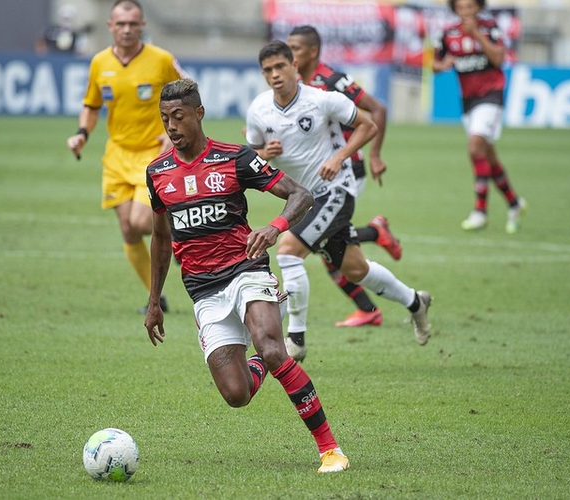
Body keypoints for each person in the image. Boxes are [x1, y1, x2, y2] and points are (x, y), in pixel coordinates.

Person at [144, 78, 350, 474]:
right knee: (237, 395)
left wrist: (273, 228)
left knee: (275, 349)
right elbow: (160, 237)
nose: (171, 126)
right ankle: (260, 362)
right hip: (203, 288)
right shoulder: (157, 173)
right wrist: (154, 301)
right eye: (165, 118)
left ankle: (330, 449)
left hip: (246, 268)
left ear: (199, 114)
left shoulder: (235, 158)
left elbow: (301, 194)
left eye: (179, 117)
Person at [245, 41, 432, 362]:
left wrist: (340, 157)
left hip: (335, 190)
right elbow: (252, 152)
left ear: (294, 66)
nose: (275, 75)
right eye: (267, 70)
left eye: (280, 67)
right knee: (356, 269)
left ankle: (296, 340)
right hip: (302, 198)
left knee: (288, 251)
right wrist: (265, 153)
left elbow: (368, 124)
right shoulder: (259, 109)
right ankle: (416, 301)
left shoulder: (322, 100)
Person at [67, 0, 187, 313]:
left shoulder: (160, 60)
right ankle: (155, 298)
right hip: (117, 154)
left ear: (142, 25)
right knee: (128, 229)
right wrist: (82, 133)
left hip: (152, 153)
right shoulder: (99, 63)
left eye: (133, 24)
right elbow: (91, 105)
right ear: (110, 26)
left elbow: (189, 93)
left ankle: (178, 229)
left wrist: (172, 131)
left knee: (140, 220)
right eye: (121, 24)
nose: (127, 29)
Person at [287, 25, 402, 328]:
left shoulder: (334, 80)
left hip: (347, 169)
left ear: (313, 51)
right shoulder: (296, 84)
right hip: (319, 176)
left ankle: (368, 307)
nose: (290, 54)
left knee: (324, 244)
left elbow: (377, 109)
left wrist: (375, 154)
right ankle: (375, 240)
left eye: (296, 48)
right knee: (329, 246)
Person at [432, 0, 526, 234]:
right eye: (461, 7)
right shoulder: (447, 33)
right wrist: (442, 65)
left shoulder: (490, 28)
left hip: (492, 96)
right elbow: (434, 63)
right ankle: (514, 204)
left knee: (475, 147)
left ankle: (480, 211)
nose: (466, 12)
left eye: (470, 7)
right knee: (488, 157)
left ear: (478, 7)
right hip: (468, 101)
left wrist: (476, 35)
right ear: (455, 9)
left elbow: (499, 59)